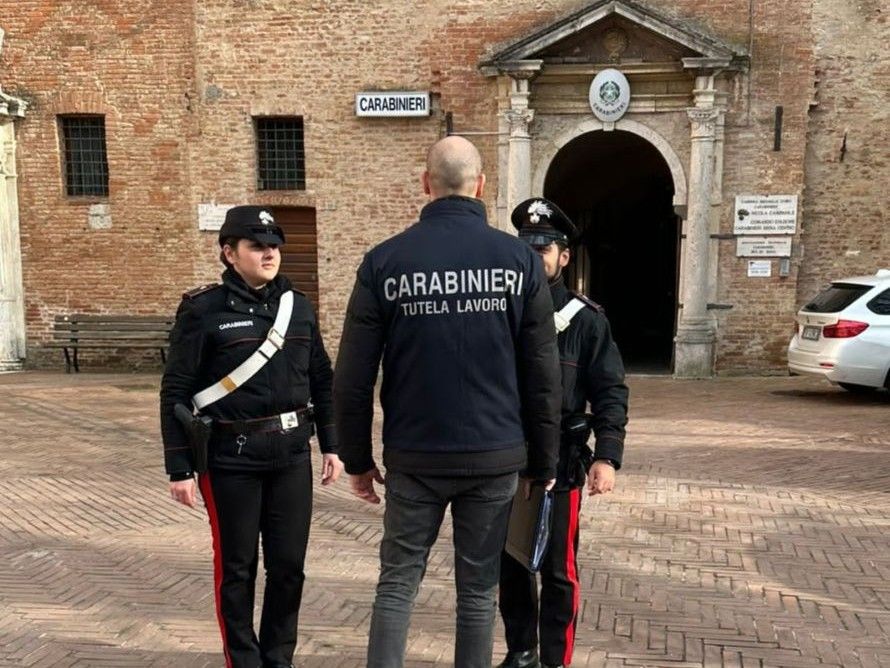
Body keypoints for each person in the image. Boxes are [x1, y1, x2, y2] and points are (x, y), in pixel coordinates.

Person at [333, 136, 562, 668]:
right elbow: (542, 375)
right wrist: (543, 460)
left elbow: (352, 375)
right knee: (478, 593)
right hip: (495, 455)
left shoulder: (384, 263)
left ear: (425, 184)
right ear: (482, 185)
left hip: (415, 455)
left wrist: (358, 460)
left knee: (396, 584)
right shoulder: (519, 263)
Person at [159, 205, 342, 668]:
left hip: (290, 456)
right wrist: (180, 467)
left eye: (274, 245)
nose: (269, 253)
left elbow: (322, 378)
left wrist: (334, 446)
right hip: (229, 459)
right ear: (229, 252)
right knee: (237, 570)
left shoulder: (297, 307)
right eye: (257, 245)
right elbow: (176, 391)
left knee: (288, 568)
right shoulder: (204, 311)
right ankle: (243, 660)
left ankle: (279, 658)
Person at [496, 198, 629, 668]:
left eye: (545, 246)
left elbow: (610, 391)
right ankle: (521, 652)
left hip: (562, 464)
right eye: (526, 245)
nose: (535, 254)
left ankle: (555, 660)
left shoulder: (586, 320)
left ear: (564, 257)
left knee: (557, 572)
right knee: (509, 566)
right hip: (505, 460)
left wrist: (606, 456)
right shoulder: (496, 312)